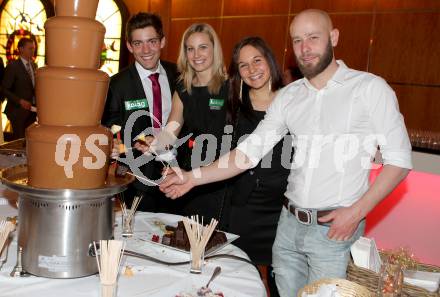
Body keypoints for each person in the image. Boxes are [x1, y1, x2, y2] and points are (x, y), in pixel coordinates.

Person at [159, 9, 412, 297]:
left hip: (332, 228)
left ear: (333, 37)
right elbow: (247, 153)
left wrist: (356, 213)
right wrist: (192, 177)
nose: (305, 48)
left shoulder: (369, 88)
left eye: (313, 38)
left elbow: (399, 161)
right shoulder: (291, 96)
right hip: (288, 225)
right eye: (297, 41)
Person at [137, 23, 229, 226]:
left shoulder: (231, 86)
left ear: (215, 49)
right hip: (188, 174)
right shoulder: (183, 88)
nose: (196, 54)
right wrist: (154, 143)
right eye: (190, 48)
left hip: (221, 177)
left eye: (203, 47)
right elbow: (171, 132)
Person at [226, 36, 290, 297]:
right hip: (244, 207)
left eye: (257, 61)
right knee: (239, 278)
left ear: (270, 61)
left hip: (283, 209)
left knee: (281, 282)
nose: (252, 70)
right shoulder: (235, 106)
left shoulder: (291, 100)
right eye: (243, 65)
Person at [101, 12, 178, 212]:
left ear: (162, 41)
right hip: (137, 180)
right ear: (129, 46)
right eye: (138, 43)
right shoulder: (117, 84)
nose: (146, 50)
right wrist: (130, 141)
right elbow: (109, 127)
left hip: (179, 174)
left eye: (152, 41)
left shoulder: (178, 75)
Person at [2, 38, 37, 140]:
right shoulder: (13, 66)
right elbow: (4, 89)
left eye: (33, 48)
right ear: (21, 49)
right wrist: (20, 101)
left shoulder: (34, 65)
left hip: (32, 111)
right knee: (20, 141)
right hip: (17, 111)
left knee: (30, 141)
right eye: (30, 48)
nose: (32, 51)